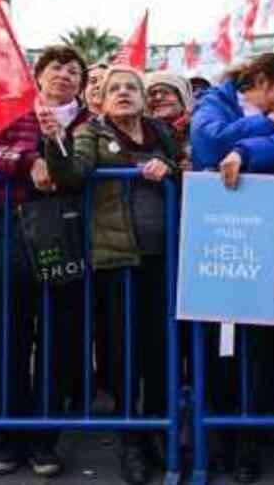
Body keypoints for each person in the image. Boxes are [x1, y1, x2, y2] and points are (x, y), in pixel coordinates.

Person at [47, 66, 181, 485]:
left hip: (165, 258)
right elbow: (72, 173)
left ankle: (160, 431)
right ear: (100, 101)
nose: (123, 92)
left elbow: (183, 166)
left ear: (143, 97)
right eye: (113, 89)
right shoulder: (91, 132)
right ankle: (131, 440)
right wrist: (55, 142)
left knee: (161, 350)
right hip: (118, 259)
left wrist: (167, 164)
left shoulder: (161, 131)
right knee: (125, 352)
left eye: (131, 87)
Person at [0, 46, 90, 479]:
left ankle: (45, 440)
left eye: (74, 71)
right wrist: (28, 161)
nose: (64, 75)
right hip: (12, 228)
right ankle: (10, 437)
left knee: (59, 339)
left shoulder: (89, 121)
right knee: (10, 336)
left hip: (67, 232)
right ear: (38, 75)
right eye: (56, 67)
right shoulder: (12, 111)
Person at [190, 52, 274, 483]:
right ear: (262, 79)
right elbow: (206, 143)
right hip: (215, 237)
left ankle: (249, 441)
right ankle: (218, 438)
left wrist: (243, 151)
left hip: (260, 236)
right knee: (217, 345)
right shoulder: (216, 100)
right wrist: (265, 126)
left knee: (258, 344)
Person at [145, 71, 194, 168]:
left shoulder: (198, 129)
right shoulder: (142, 131)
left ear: (182, 98)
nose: (158, 97)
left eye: (166, 92)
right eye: (152, 94)